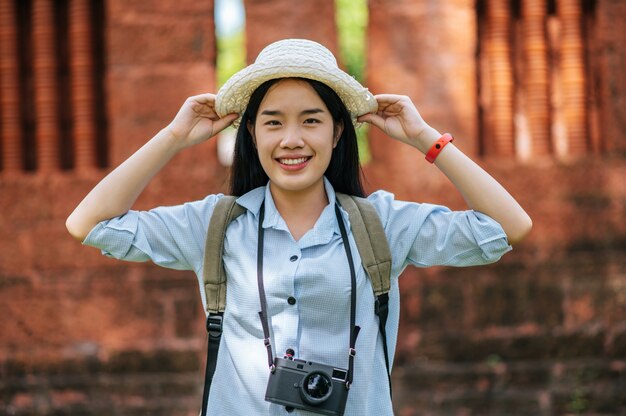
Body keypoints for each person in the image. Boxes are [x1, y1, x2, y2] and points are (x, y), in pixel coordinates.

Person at [66, 39, 532, 415]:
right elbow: (88, 223)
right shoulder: (216, 225)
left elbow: (506, 227)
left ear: (336, 132)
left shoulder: (382, 224)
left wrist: (424, 138)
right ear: (251, 134)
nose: (292, 140)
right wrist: (172, 139)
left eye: (311, 120)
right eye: (273, 122)